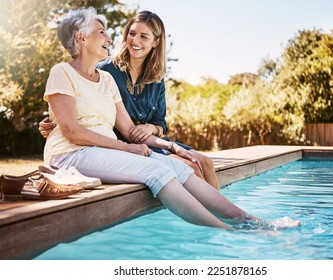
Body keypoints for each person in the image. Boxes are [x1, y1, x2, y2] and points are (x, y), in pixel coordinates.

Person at [42, 7, 300, 230]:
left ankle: (251, 222)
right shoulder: (62, 71)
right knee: (156, 169)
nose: (110, 37)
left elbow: (131, 130)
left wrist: (166, 146)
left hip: (105, 150)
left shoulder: (106, 79)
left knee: (176, 166)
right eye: (102, 32)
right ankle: (229, 232)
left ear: (155, 42)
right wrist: (127, 147)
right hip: (72, 154)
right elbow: (72, 131)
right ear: (81, 38)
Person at [39, 11, 220, 191]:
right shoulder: (106, 69)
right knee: (192, 168)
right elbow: (80, 100)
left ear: (155, 42)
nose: (135, 41)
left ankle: (224, 216)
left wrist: (154, 128)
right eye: (132, 34)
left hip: (149, 140)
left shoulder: (157, 79)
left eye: (144, 36)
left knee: (205, 162)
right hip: (118, 143)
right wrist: (55, 121)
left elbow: (160, 122)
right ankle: (201, 217)